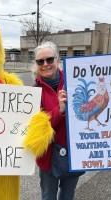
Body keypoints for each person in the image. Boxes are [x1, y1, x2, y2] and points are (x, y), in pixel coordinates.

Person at [33, 41, 80, 200]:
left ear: (58, 60)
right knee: (48, 196)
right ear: (36, 64)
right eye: (41, 61)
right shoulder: (33, 93)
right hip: (48, 157)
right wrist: (59, 110)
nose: (45, 64)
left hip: (74, 154)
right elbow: (37, 129)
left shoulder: (74, 82)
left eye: (49, 59)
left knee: (68, 196)